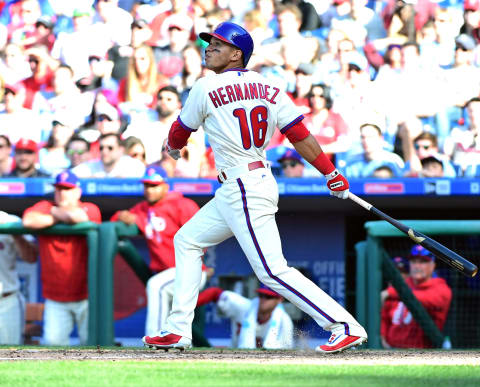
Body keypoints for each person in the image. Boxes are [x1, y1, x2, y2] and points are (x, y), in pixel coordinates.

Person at [143, 22, 367, 353]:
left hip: (243, 186)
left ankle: (344, 324)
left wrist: (173, 149)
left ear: (237, 54)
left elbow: (178, 131)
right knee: (187, 240)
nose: (209, 48)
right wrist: (330, 172)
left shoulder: (206, 87)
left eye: (218, 45)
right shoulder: (271, 87)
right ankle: (177, 329)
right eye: (209, 44)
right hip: (245, 183)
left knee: (272, 272)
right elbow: (299, 135)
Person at [111, 166, 208, 336]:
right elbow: (115, 220)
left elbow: (202, 238)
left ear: (165, 185)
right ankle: (177, 351)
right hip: (166, 273)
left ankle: (154, 336)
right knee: (179, 325)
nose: (149, 190)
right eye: (147, 186)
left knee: (156, 286)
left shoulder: (182, 205)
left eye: (154, 185)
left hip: (188, 270)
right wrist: (121, 216)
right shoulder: (142, 209)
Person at [22, 170, 102, 345]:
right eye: (59, 189)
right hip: (56, 297)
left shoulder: (89, 207)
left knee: (94, 348)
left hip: (87, 295)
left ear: (78, 191)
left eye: (67, 189)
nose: (62, 193)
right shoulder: (46, 205)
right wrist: (58, 214)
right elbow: (28, 220)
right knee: (52, 346)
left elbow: (78, 217)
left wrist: (53, 214)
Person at [381, 244, 452, 349]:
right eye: (414, 261)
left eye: (423, 262)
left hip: (423, 352)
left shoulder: (440, 287)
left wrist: (392, 292)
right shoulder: (402, 285)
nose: (417, 266)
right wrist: (382, 340)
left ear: (433, 266)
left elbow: (429, 299)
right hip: (391, 350)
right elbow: (384, 317)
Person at [196, 284, 294, 349]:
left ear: (279, 299)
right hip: (236, 356)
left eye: (269, 297)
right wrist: (187, 307)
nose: (263, 299)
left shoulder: (284, 321)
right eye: (261, 295)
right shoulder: (245, 306)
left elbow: (286, 351)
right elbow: (215, 293)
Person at [0, 211, 38, 345]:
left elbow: (32, 256)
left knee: (9, 354)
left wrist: (16, 234)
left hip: (5, 300)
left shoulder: (8, 220)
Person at [72, 133, 145, 178]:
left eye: (110, 148)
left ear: (121, 150)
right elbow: (70, 176)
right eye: (101, 148)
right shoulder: (91, 166)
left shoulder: (134, 165)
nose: (104, 151)